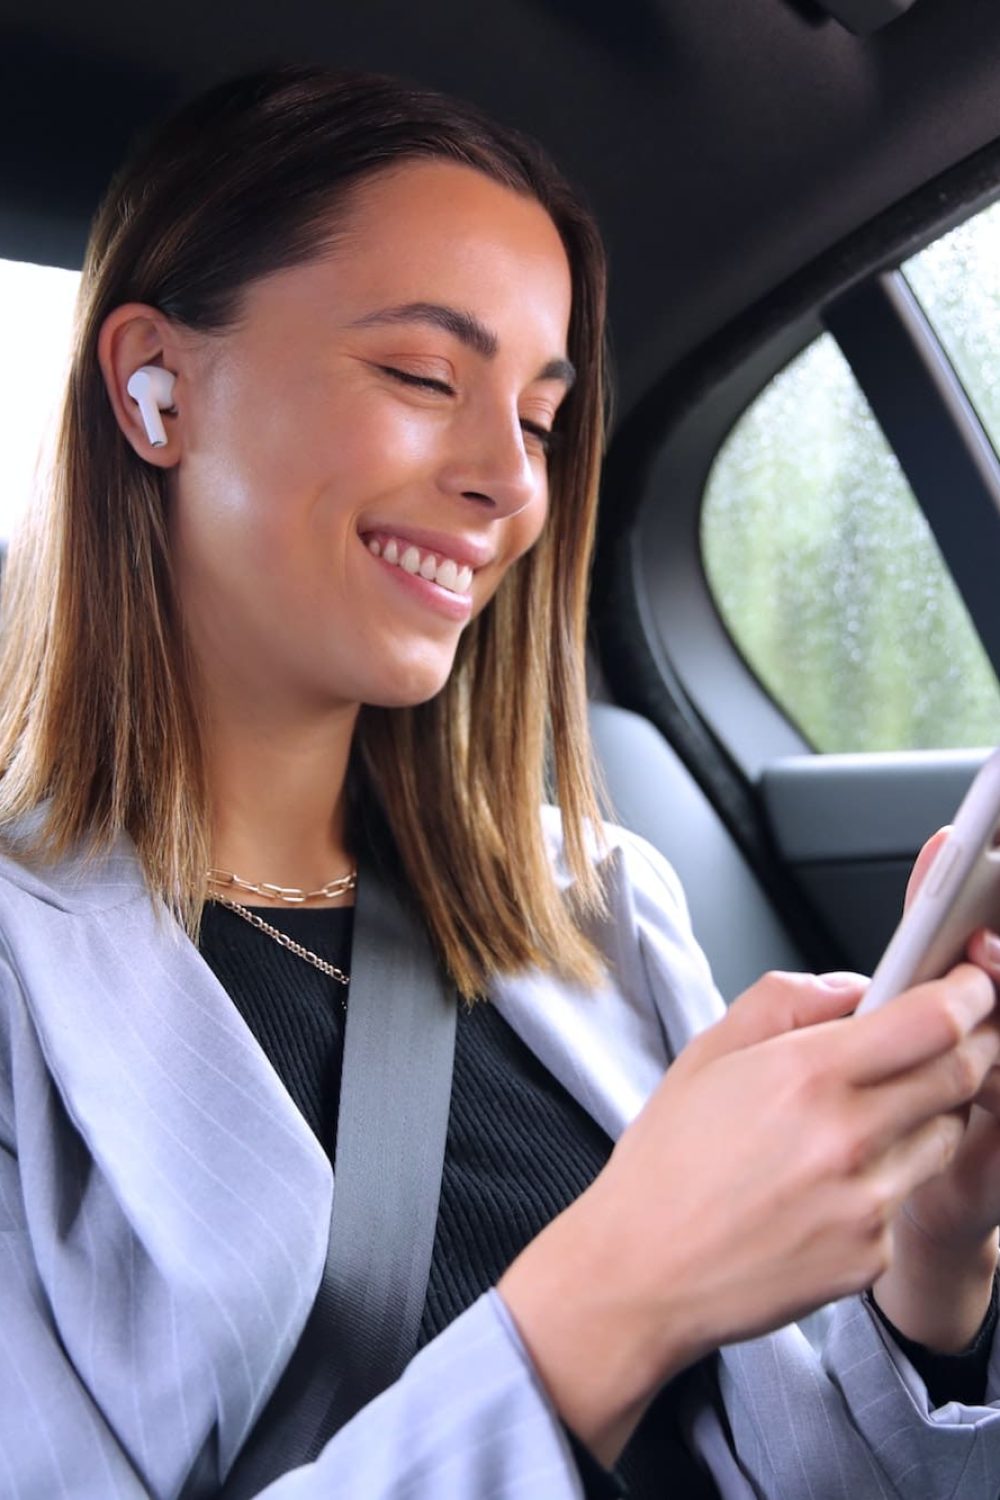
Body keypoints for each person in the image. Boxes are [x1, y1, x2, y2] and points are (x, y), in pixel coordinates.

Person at [0, 64, 997, 1500]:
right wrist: (619, 1288)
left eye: (537, 420)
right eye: (423, 377)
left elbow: (802, 1468)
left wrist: (936, 1252)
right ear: (155, 387)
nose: (509, 482)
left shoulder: (596, 898)